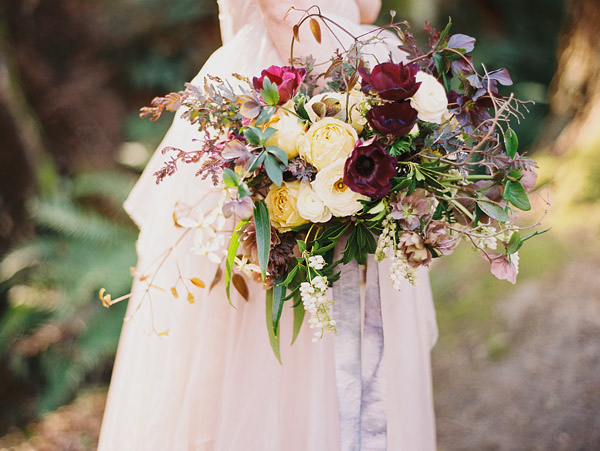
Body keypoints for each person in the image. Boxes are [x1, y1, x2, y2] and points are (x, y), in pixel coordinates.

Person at [98, 1, 438, 449]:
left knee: (271, 294)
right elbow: (341, 10)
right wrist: (332, 116)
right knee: (293, 269)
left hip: (279, 69)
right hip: (306, 79)